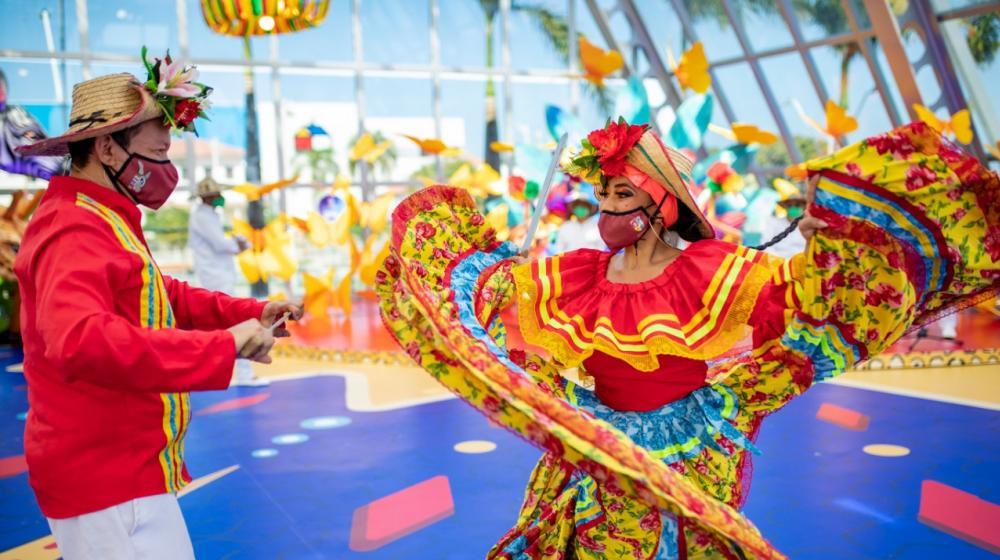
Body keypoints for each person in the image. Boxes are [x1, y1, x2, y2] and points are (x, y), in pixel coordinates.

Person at [375, 119, 1000, 557]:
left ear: (661, 204)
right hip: (600, 436)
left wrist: (825, 240)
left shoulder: (710, 269)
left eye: (622, 193)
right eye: (603, 194)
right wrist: (484, 271)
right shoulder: (579, 272)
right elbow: (491, 293)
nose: (607, 208)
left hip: (691, 441)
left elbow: (802, 300)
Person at [14, 52, 303, 560]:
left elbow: (158, 293)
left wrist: (247, 313)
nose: (165, 170)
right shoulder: (73, 227)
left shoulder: (104, 216)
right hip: (100, 475)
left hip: (124, 467)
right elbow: (81, 342)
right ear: (106, 147)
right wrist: (222, 347)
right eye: (158, 153)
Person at [188, 177, 265, 386]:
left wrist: (237, 243)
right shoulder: (202, 217)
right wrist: (238, 244)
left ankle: (238, 373)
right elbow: (221, 245)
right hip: (215, 276)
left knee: (225, 322)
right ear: (207, 197)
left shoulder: (209, 215)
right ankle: (243, 374)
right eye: (216, 195)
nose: (220, 197)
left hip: (218, 273)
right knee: (231, 321)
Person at [551, 188, 605, 253]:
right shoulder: (566, 226)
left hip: (590, 262)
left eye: (584, 206)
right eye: (578, 206)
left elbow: (601, 248)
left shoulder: (598, 227)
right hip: (569, 261)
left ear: (590, 209)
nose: (580, 209)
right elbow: (559, 248)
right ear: (573, 209)